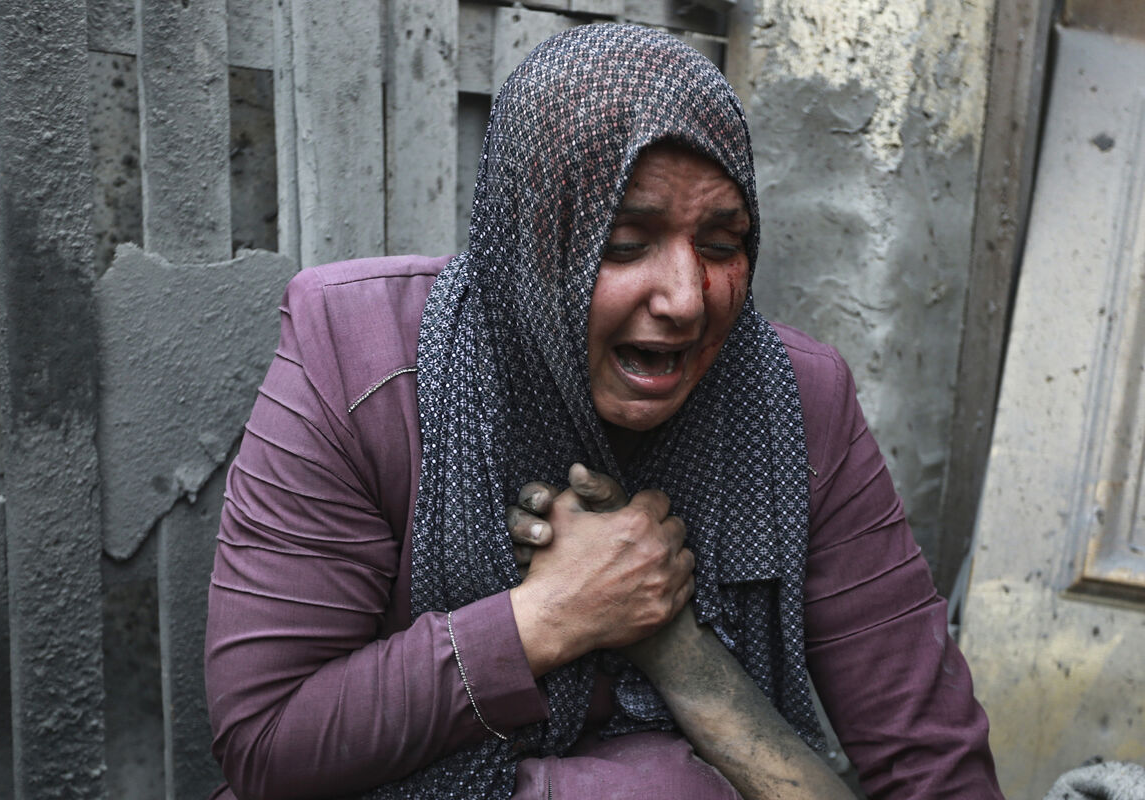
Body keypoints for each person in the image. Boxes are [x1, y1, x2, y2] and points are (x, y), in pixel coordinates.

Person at [205, 23, 1003, 800]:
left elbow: (927, 754)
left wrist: (677, 652)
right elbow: (268, 743)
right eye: (624, 244)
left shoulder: (797, 404)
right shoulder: (359, 353)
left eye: (722, 245)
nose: (686, 300)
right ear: (531, 238)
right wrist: (551, 617)